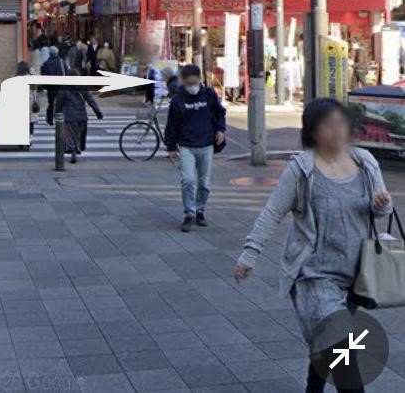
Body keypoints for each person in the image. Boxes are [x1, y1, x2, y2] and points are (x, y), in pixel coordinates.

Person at [234, 98, 393, 393]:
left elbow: (380, 210)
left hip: (358, 273)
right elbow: (273, 212)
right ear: (312, 132)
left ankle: (312, 387)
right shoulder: (301, 170)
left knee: (328, 342)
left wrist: (382, 204)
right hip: (315, 276)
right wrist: (250, 253)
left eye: (340, 123)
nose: (336, 130)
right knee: (342, 351)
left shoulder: (365, 162)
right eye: (328, 125)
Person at [164, 63, 226, 232]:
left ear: (200, 79)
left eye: (194, 82)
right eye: (188, 83)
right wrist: (171, 148)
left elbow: (220, 112)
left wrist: (221, 130)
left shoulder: (209, 95)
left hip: (206, 145)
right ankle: (189, 213)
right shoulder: (178, 100)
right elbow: (172, 125)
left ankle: (200, 210)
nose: (192, 86)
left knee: (204, 183)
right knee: (188, 180)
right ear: (183, 82)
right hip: (186, 146)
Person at [54, 66, 103, 163]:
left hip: (68, 116)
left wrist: (56, 113)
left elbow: (59, 102)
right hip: (81, 116)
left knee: (69, 135)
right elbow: (91, 100)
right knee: (78, 135)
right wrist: (98, 112)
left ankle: (72, 150)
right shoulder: (83, 87)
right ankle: (76, 150)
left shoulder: (65, 87)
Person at [41, 45, 68, 125]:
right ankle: (60, 118)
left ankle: (50, 119)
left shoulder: (46, 63)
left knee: (51, 103)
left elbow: (44, 76)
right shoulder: (62, 62)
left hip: (51, 86)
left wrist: (44, 87)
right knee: (61, 102)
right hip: (61, 85)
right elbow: (66, 72)